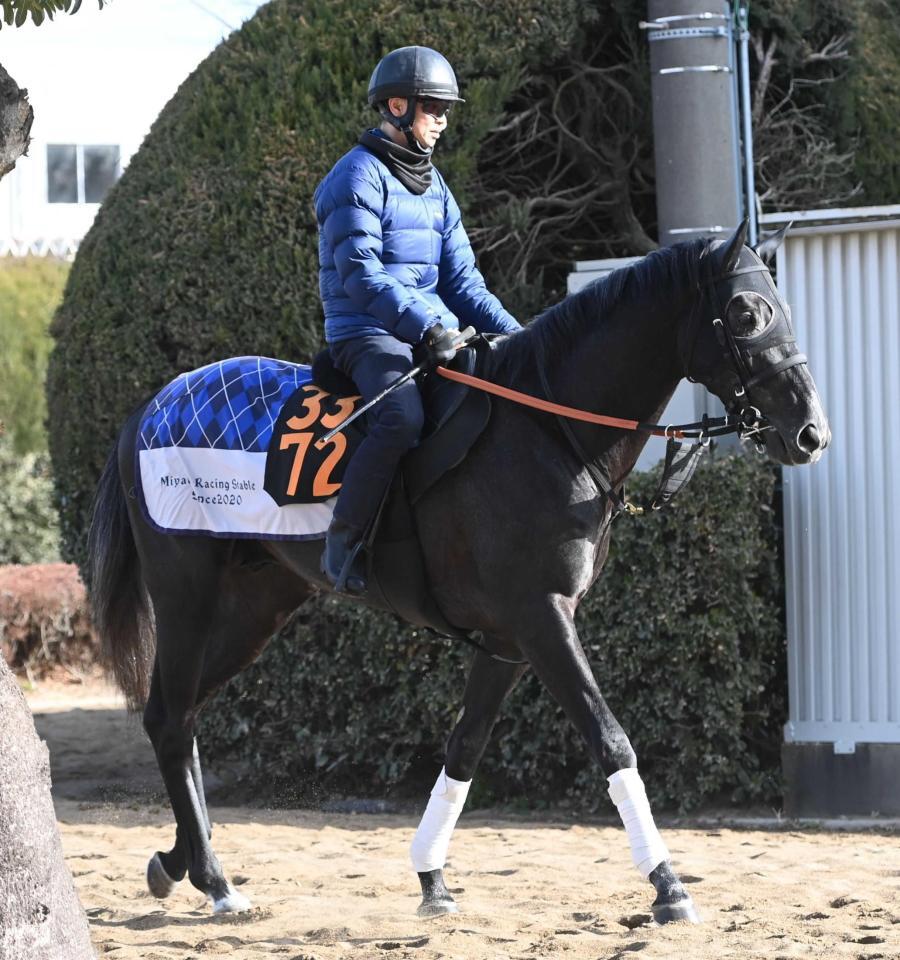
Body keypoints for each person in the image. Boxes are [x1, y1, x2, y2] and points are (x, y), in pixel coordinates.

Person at [314, 45, 520, 593]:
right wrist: (426, 328)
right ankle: (344, 540)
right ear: (398, 106)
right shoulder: (354, 177)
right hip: (367, 335)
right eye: (435, 108)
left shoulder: (437, 188)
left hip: (433, 333)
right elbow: (360, 275)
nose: (444, 121)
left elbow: (464, 285)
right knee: (401, 418)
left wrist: (522, 338)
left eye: (446, 110)